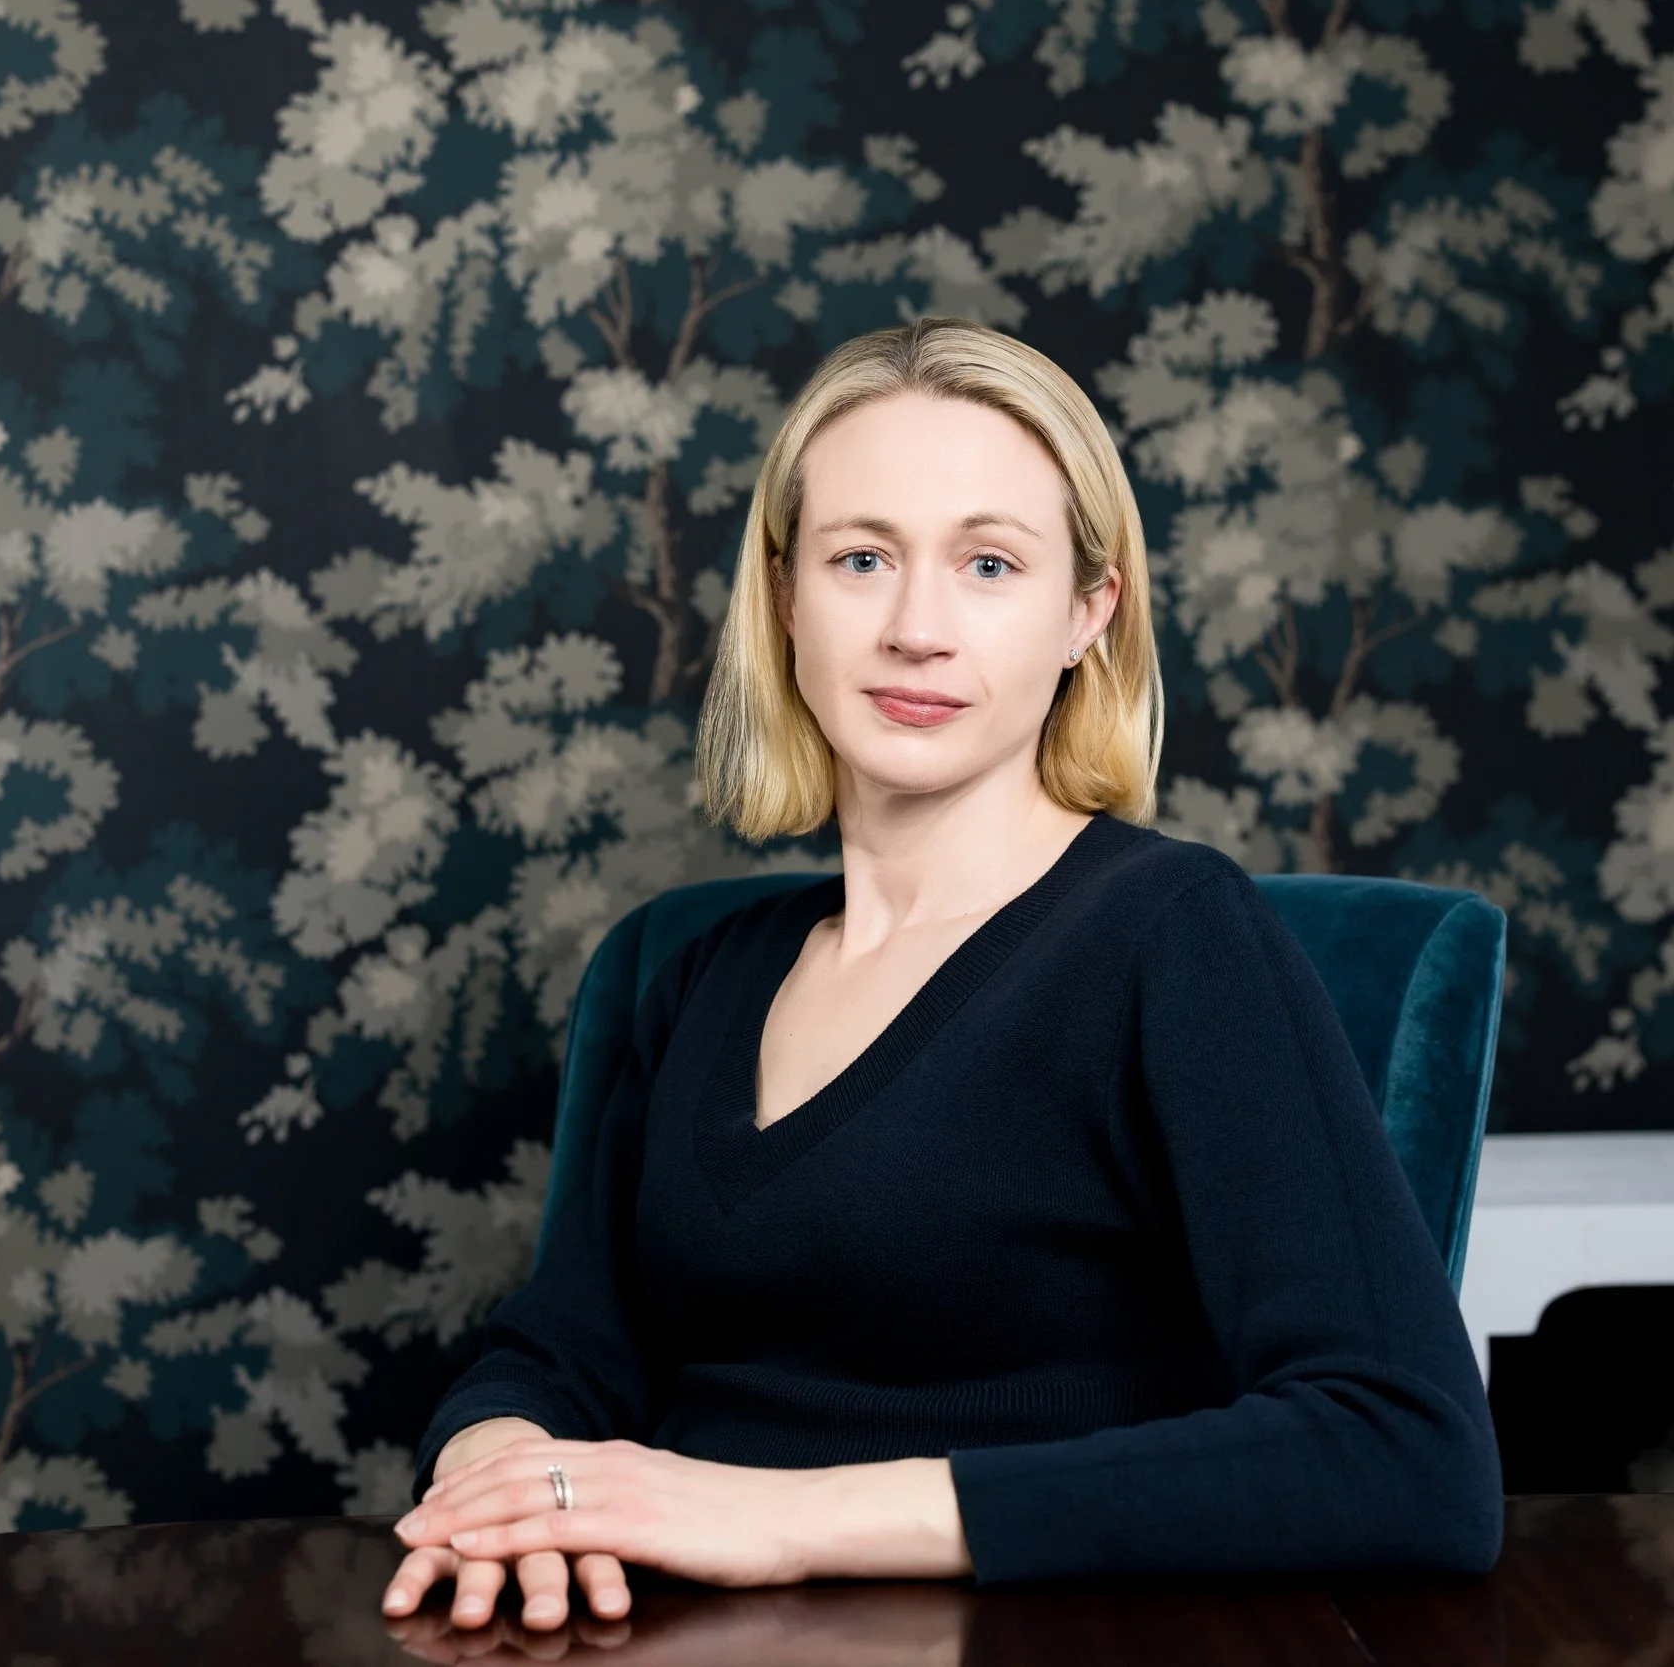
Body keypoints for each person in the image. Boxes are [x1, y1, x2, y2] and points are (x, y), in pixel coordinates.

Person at [383, 317, 1503, 1633]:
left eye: (988, 564)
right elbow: (560, 1353)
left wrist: (775, 1521)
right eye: (863, 559)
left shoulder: (1175, 936)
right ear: (786, 595)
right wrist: (498, 1482)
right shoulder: (692, 971)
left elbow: (1404, 1453)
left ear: (1088, 614)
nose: (918, 628)